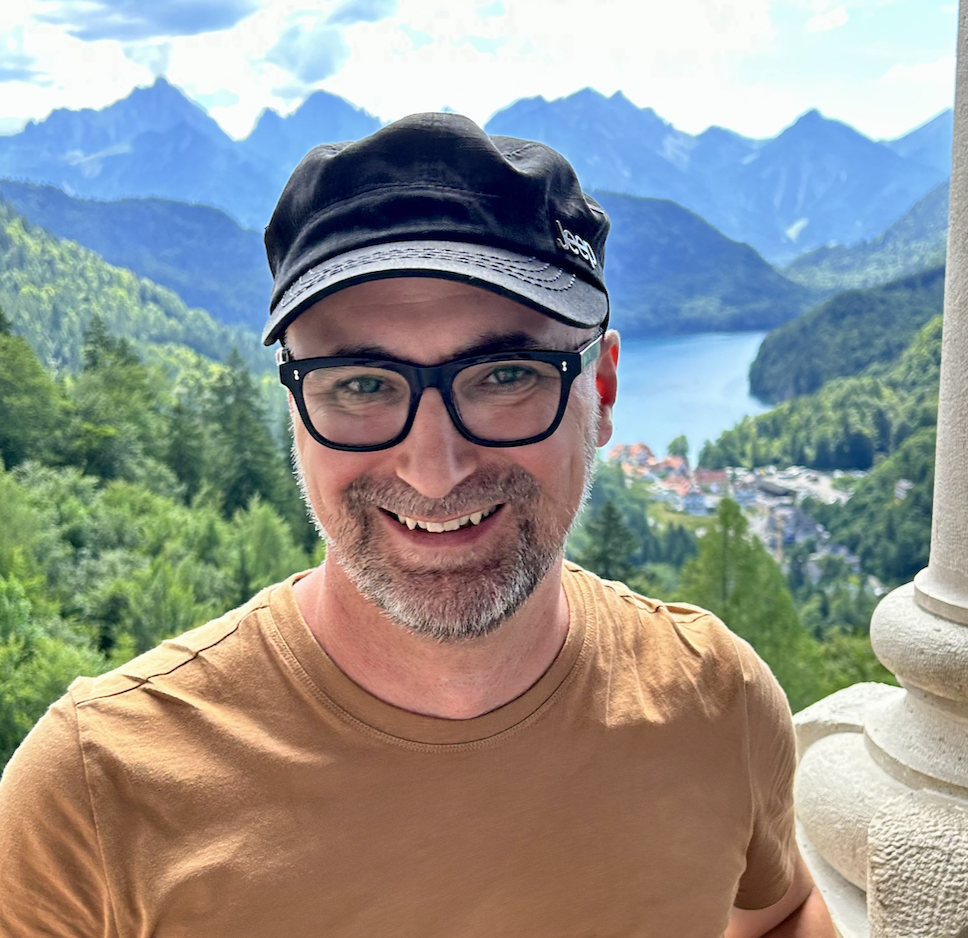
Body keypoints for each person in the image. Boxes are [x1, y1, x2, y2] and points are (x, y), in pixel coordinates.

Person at [0, 113, 835, 937]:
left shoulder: (715, 702)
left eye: (506, 373)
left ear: (602, 390)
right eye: (361, 384)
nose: (434, 468)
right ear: (295, 404)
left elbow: (781, 913)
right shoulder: (94, 795)